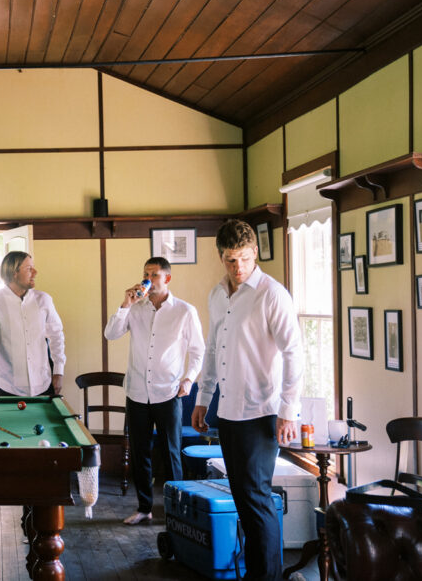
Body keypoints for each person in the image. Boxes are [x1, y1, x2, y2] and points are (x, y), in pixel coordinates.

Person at [191, 219, 303, 580]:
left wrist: (288, 410)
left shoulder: (272, 294)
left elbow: (294, 353)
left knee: (256, 502)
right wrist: (202, 398)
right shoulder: (216, 294)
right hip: (228, 411)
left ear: (254, 252)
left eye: (242, 258)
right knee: (243, 501)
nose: (237, 267)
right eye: (229, 259)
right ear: (220, 258)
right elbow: (212, 350)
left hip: (261, 412)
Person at [103, 256, 204, 525]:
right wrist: (125, 304)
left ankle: (178, 511)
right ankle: (144, 508)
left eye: (155, 274)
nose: (148, 279)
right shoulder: (135, 309)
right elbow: (110, 334)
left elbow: (197, 351)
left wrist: (188, 379)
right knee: (140, 453)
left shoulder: (185, 311)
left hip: (168, 392)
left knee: (171, 454)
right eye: (145, 273)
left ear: (167, 278)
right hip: (136, 391)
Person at [0, 251, 65, 398]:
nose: (35, 272)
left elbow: (56, 336)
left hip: (44, 384)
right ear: (14, 273)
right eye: (29, 269)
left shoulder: (44, 300)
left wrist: (58, 371)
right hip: (9, 387)